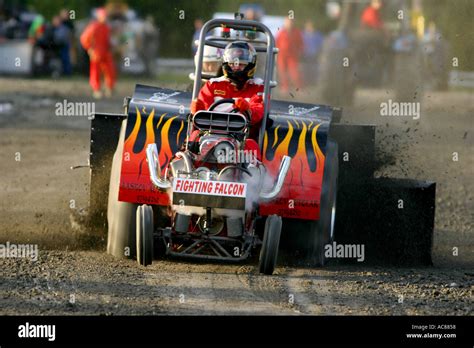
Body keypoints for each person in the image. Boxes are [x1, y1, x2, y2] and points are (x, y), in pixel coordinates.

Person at [190, 41, 264, 158]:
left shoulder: (258, 86)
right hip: (210, 134)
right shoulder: (213, 85)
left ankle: (251, 174)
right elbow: (202, 111)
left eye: (241, 64)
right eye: (233, 64)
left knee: (251, 145)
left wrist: (248, 109)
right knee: (194, 136)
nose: (236, 67)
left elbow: (258, 111)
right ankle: (185, 168)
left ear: (250, 64)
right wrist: (197, 110)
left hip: (241, 138)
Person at [80, 7, 116, 99]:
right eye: (103, 16)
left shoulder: (107, 27)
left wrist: (111, 47)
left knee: (110, 71)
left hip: (106, 53)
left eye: (106, 16)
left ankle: (109, 88)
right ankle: (97, 90)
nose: (105, 18)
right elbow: (84, 38)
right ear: (99, 17)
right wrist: (89, 49)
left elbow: (108, 40)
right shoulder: (93, 27)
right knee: (95, 72)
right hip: (96, 53)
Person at [275, 18, 304, 93]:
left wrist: (300, 51)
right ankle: (285, 87)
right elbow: (277, 42)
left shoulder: (296, 32)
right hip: (282, 54)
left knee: (294, 72)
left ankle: (299, 87)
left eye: (290, 22)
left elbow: (300, 43)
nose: (289, 24)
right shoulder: (281, 32)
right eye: (287, 22)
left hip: (292, 55)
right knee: (282, 72)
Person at [302, 20, 324, 84]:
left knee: (314, 69)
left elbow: (322, 44)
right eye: (308, 26)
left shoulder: (318, 35)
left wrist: (320, 53)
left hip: (315, 55)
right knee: (306, 69)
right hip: (305, 55)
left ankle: (314, 82)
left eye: (311, 26)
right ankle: (306, 82)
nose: (310, 28)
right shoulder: (302, 34)